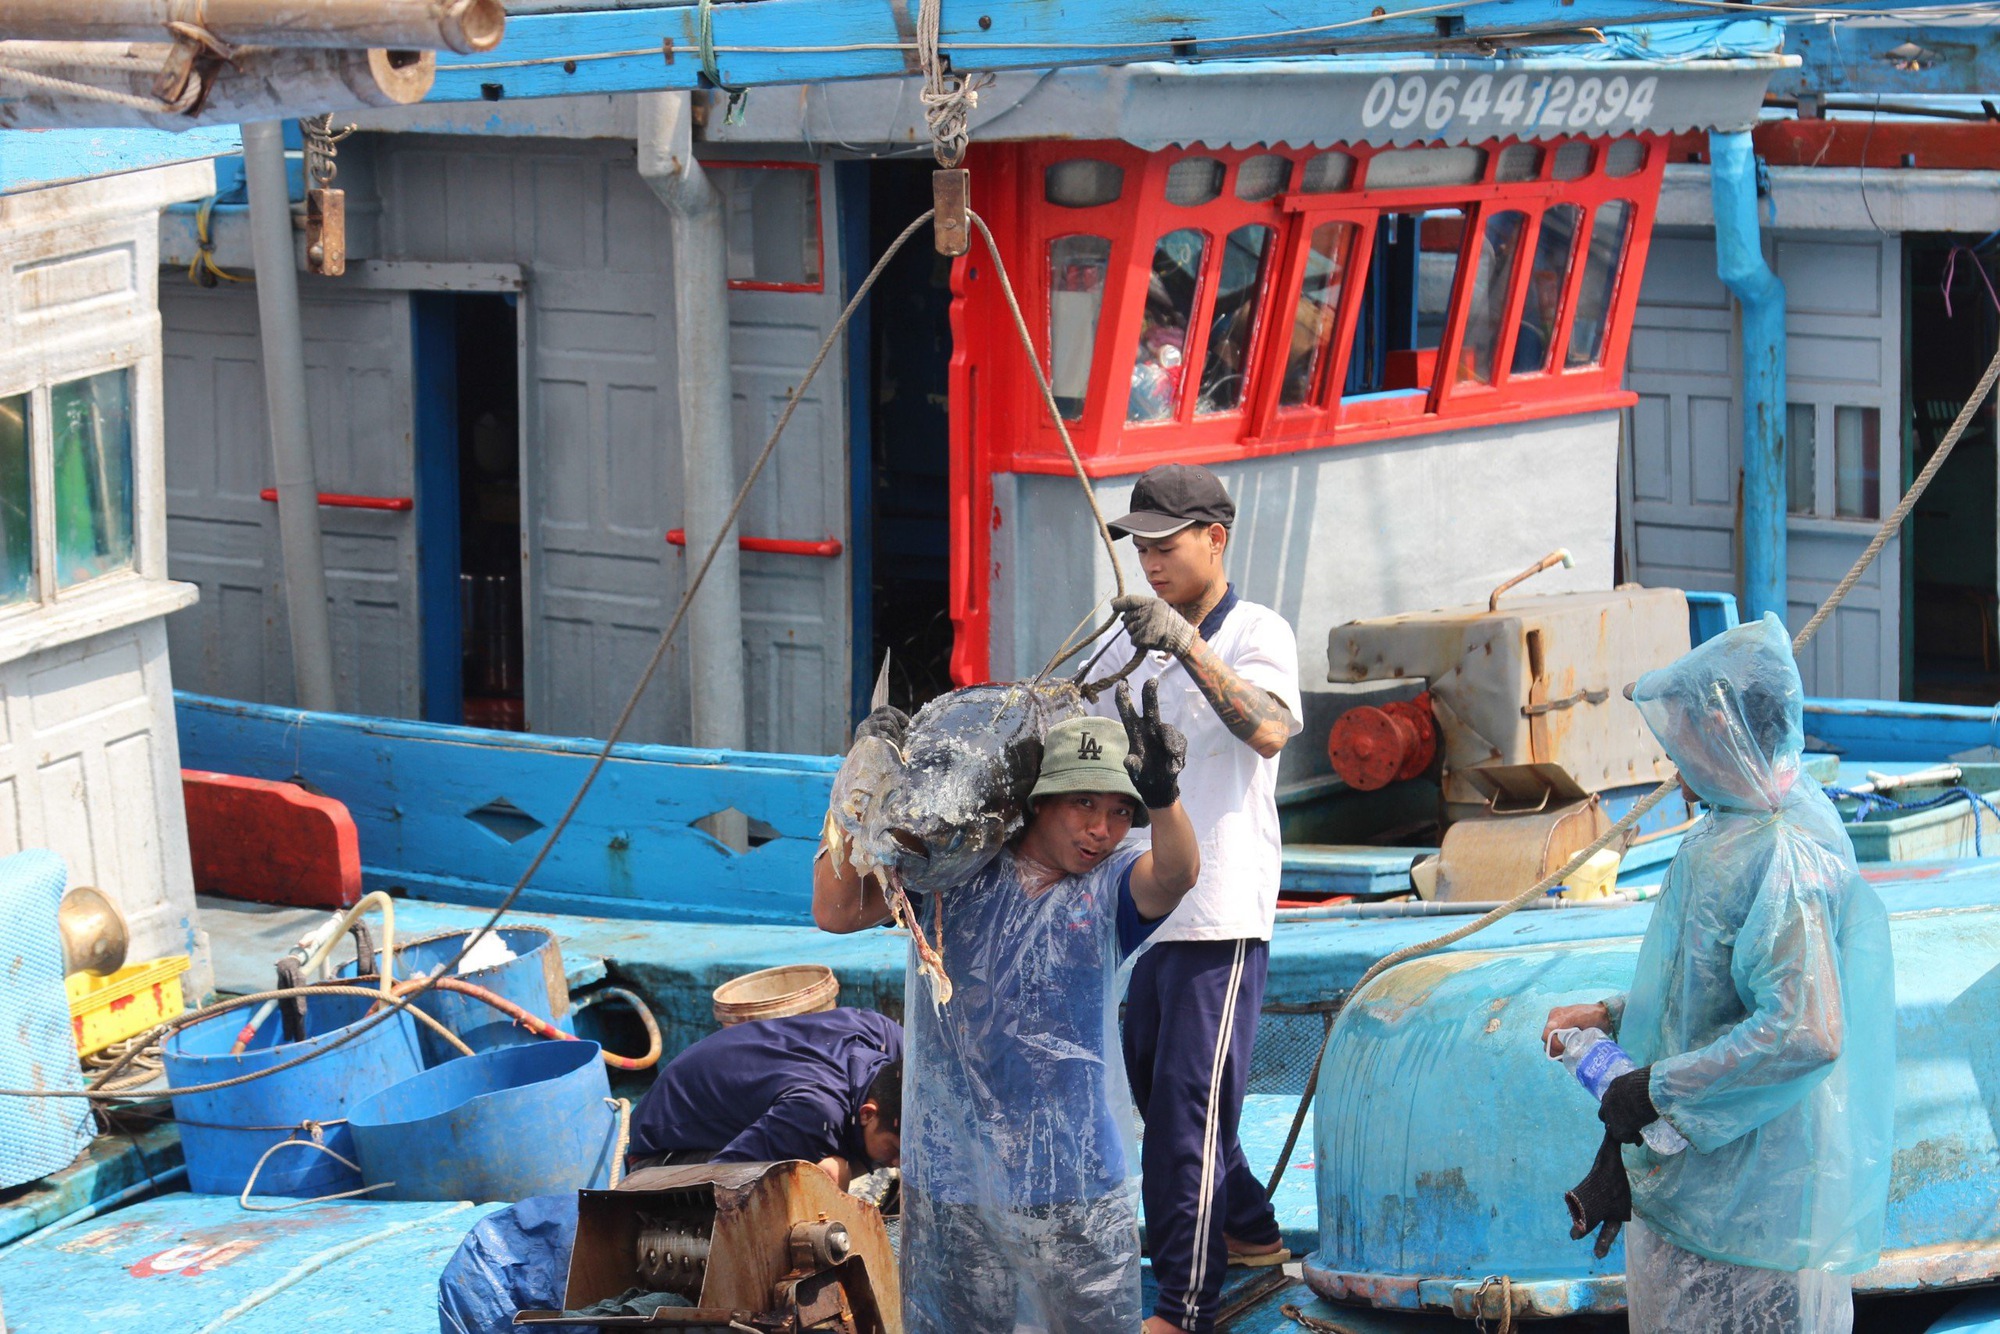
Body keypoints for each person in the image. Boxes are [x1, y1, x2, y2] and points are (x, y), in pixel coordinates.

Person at [1543, 614, 1895, 1334]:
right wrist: (1613, 1015)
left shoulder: (1782, 848)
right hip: (1702, 1189)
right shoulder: (1733, 823)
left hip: (1749, 1202)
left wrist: (1659, 1086)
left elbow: (1806, 1029)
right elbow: (1705, 972)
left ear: (1720, 726)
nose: (1676, 759)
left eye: (1683, 736)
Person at [814, 693, 1198, 1334]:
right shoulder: (953, 872)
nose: (1101, 830)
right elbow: (835, 909)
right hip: (954, 1175)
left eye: (1118, 812)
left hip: (1073, 1176)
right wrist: (860, 783)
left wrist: (1163, 797)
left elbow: (1178, 873)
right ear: (1037, 803)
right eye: (1083, 805)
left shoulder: (1110, 886)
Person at [1090, 463, 1302, 1334]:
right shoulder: (1120, 645)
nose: (1148, 562)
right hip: (1144, 912)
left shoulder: (1257, 631)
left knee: (1185, 1117)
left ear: (1216, 539)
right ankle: (1251, 1232)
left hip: (1220, 914)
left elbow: (1270, 726)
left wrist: (1181, 641)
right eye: (1138, 546)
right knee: (1165, 1097)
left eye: (1164, 545)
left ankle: (1182, 1305)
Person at [625, 1006, 903, 1188]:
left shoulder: (883, 1033)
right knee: (826, 1175)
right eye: (895, 1151)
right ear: (867, 1113)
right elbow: (715, 1191)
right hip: (658, 1162)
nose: (899, 1164)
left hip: (729, 1095)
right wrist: (841, 1172)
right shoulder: (814, 1114)